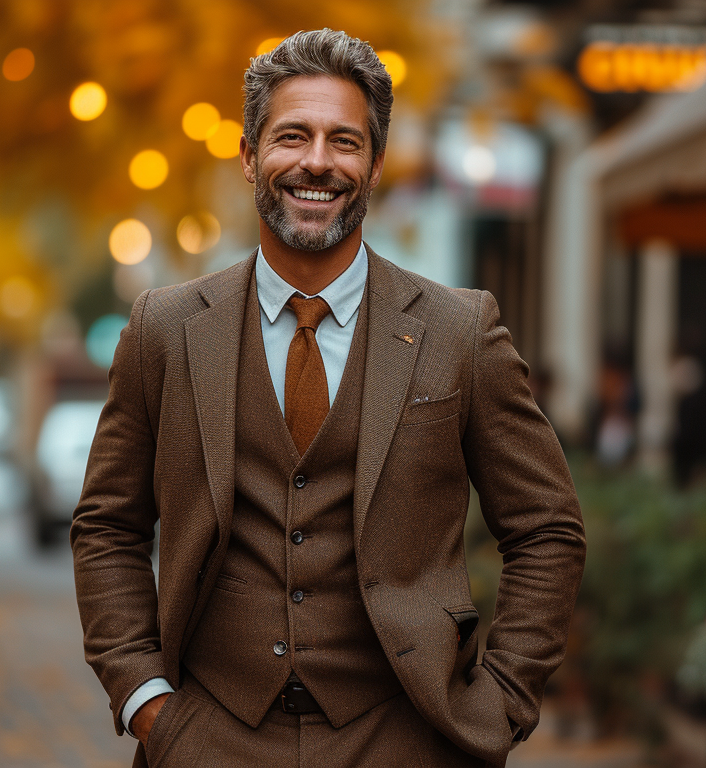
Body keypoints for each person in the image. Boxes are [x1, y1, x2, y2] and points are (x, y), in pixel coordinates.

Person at [71, 28, 586, 768]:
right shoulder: (166, 328)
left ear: (374, 164)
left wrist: (497, 706)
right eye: (292, 136)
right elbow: (107, 526)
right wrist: (146, 701)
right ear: (249, 156)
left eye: (345, 141)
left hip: (405, 739)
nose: (317, 161)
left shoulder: (459, 331)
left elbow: (547, 529)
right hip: (208, 740)